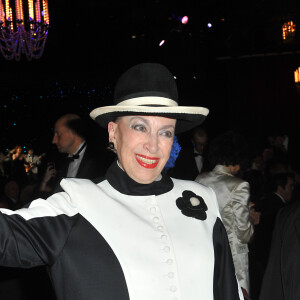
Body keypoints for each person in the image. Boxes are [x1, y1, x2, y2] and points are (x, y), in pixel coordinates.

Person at [0, 63, 243, 300]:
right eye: (140, 126)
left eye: (165, 132)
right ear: (113, 132)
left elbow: (227, 289)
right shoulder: (75, 202)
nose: (153, 145)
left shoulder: (203, 198)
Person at [195, 131, 260, 299]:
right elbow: (244, 234)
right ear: (237, 159)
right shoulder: (240, 185)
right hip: (233, 258)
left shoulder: (199, 179)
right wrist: (252, 220)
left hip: (206, 251)